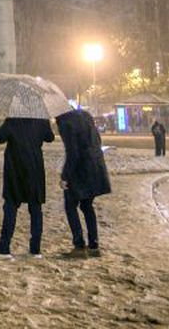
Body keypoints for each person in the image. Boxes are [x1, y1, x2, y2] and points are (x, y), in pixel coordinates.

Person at [0, 116, 54, 259]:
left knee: (10, 206)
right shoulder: (41, 119)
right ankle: (35, 249)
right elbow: (50, 137)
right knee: (35, 208)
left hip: (15, 168)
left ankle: (4, 247)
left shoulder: (13, 120)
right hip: (34, 167)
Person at [55, 107, 111, 259]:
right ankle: (94, 245)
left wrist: (65, 176)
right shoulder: (85, 116)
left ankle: (79, 245)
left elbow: (72, 152)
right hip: (96, 166)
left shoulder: (65, 123)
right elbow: (97, 141)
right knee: (87, 206)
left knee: (70, 205)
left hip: (81, 170)